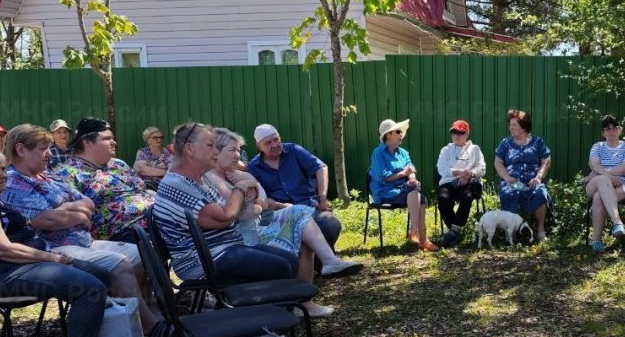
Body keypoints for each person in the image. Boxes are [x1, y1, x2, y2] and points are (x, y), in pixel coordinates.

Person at [0, 124, 163, 337]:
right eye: (43, 148)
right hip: (54, 249)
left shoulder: (48, 177)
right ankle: (150, 328)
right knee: (120, 262)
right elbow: (43, 221)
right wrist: (74, 213)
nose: (50, 154)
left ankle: (122, 318)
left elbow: (87, 203)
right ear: (21, 150)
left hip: (82, 241)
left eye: (49, 147)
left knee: (141, 253)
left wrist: (65, 211)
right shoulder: (13, 182)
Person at [153, 122, 333, 317]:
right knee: (279, 266)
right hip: (201, 261)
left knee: (288, 259)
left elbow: (230, 212)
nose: (216, 151)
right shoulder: (177, 184)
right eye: (210, 145)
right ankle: (263, 324)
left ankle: (274, 317)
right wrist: (241, 187)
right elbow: (226, 217)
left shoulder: (197, 178)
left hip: (223, 248)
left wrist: (243, 194)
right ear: (190, 149)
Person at [0, 147, 111, 337]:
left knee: (100, 273)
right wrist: (52, 258)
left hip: (20, 264)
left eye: (3, 169)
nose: (3, 175)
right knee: (88, 287)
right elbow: (1, 249)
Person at [206, 128, 355, 275]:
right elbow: (246, 212)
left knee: (322, 220)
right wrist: (257, 201)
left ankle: (328, 263)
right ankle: (322, 268)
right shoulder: (226, 175)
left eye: (276, 139)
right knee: (301, 222)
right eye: (233, 150)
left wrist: (250, 184)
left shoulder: (293, 151)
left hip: (303, 206)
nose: (238, 156)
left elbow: (260, 201)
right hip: (249, 233)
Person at [54, 118, 153, 242]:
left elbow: (142, 189)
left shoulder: (118, 164)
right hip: (123, 232)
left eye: (112, 138)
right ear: (87, 142)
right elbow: (65, 215)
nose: (114, 142)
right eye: (107, 139)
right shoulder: (67, 173)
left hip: (154, 218)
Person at [247, 124, 342, 250]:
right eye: (268, 143)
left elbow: (320, 168)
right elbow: (259, 197)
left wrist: (322, 198)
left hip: (308, 205)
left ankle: (320, 262)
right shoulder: (254, 167)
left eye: (276, 139)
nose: (275, 145)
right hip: (279, 212)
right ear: (259, 146)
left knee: (330, 224)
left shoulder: (293, 150)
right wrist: (280, 205)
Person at [369, 118, 439, 251]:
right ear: (388, 134)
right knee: (420, 197)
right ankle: (420, 237)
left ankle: (416, 234)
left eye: (401, 131)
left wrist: (412, 177)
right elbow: (384, 178)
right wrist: (403, 174)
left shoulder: (403, 152)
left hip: (405, 190)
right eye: (398, 131)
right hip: (386, 192)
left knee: (416, 189)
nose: (401, 134)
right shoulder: (378, 153)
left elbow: (410, 169)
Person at [493, 110, 552, 241]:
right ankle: (510, 233)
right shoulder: (505, 143)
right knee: (508, 193)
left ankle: (540, 230)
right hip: (511, 180)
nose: (511, 127)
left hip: (532, 180)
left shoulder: (537, 142)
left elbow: (546, 160)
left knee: (540, 193)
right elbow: (498, 163)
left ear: (524, 126)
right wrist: (507, 178)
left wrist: (539, 177)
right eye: (510, 124)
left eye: (514, 125)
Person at [585, 115, 625, 253]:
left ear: (620, 130)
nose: (611, 131)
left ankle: (596, 241)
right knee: (602, 180)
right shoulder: (598, 146)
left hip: (621, 185)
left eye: (615, 128)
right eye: (607, 129)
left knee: (598, 197)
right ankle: (617, 222)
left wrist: (599, 173)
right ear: (603, 133)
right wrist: (608, 176)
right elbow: (594, 164)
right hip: (595, 184)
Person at [434, 120, 486, 247]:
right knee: (442, 198)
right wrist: (460, 172)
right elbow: (442, 169)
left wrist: (470, 174)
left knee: (467, 195)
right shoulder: (446, 150)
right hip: (449, 183)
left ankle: (454, 232)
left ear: (467, 134)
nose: (456, 135)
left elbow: (482, 168)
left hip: (470, 182)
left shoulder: (475, 149)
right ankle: (456, 232)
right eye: (454, 132)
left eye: (460, 132)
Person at [134, 126, 173, 191]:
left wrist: (151, 170)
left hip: (163, 185)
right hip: (146, 185)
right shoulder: (143, 152)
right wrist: (165, 172)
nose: (159, 140)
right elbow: (143, 170)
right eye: (155, 138)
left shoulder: (166, 152)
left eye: (160, 137)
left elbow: (171, 170)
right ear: (147, 139)